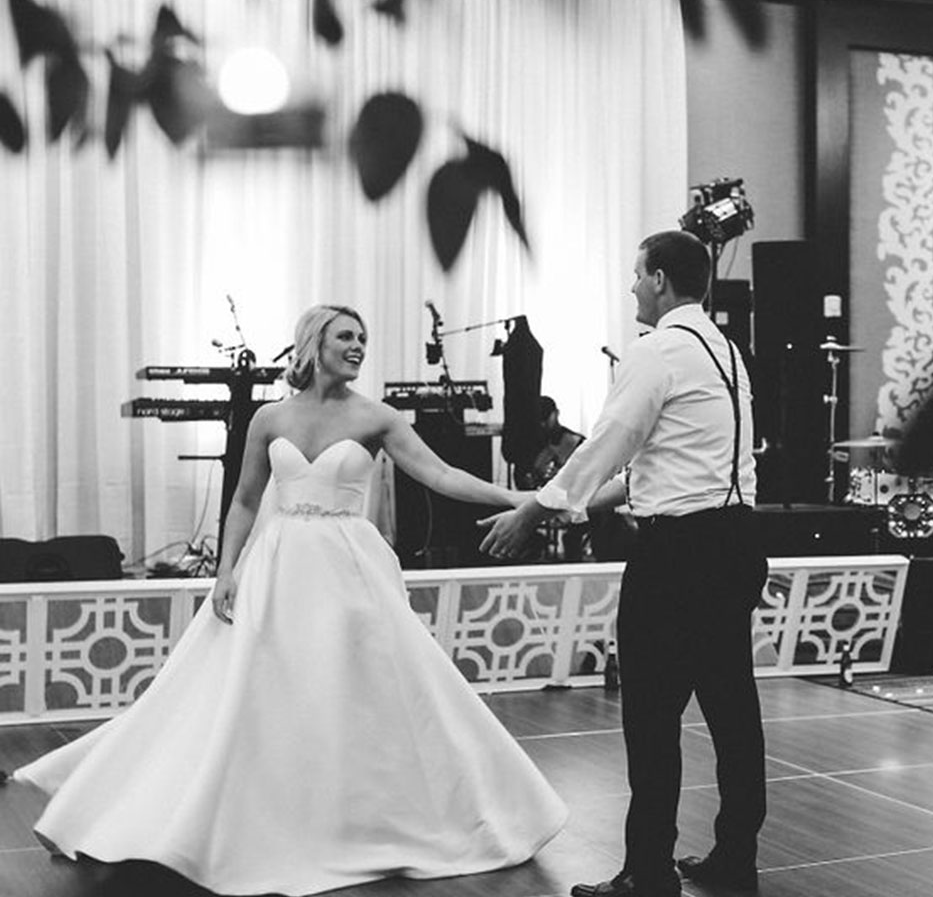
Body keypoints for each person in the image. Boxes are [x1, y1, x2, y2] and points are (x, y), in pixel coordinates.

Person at [12, 305, 568, 896]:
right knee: (252, 692)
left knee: (359, 690)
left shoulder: (376, 416)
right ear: (314, 343)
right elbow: (246, 500)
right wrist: (225, 571)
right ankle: (225, 817)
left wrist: (515, 497)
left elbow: (441, 475)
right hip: (276, 566)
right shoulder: (268, 417)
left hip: (348, 567)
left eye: (363, 338)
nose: (358, 346)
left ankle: (364, 816)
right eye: (346, 336)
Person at [482, 230, 766, 897]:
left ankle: (648, 873)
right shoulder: (726, 351)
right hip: (734, 542)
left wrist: (534, 511)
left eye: (638, 275)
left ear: (662, 280)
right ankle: (735, 859)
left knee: (650, 713)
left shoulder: (657, 351)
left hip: (678, 556)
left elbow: (608, 444)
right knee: (733, 711)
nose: (633, 287)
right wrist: (569, 507)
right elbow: (659, 471)